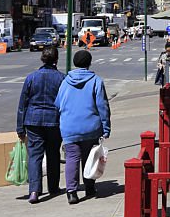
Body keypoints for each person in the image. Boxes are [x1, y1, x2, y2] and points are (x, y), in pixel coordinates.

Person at [55, 49, 111, 205]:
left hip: (69, 127)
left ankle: (71, 192)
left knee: (72, 158)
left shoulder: (65, 81)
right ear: (89, 62)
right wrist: (106, 127)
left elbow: (58, 103)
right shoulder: (96, 81)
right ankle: (89, 187)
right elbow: (102, 106)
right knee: (89, 157)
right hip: (90, 127)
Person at [16, 45, 65, 204]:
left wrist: (20, 128)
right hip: (53, 120)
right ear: (56, 60)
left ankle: (34, 191)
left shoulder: (31, 77)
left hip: (33, 121)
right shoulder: (61, 78)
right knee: (53, 154)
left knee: (35, 156)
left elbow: (22, 104)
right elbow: (65, 103)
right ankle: (53, 186)